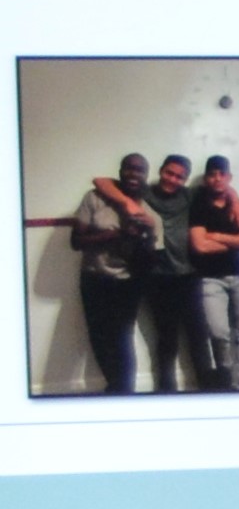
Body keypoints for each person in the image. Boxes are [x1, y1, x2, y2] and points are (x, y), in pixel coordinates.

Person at [62, 152, 162, 393]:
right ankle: (115, 387)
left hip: (127, 283)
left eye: (139, 170)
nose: (133, 174)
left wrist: (145, 237)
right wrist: (114, 235)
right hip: (93, 278)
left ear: (146, 176)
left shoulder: (150, 214)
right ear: (120, 171)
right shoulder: (94, 199)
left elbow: (149, 262)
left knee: (121, 339)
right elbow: (76, 242)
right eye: (129, 168)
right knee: (98, 339)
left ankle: (123, 391)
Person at [180, 152, 239, 391]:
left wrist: (218, 236)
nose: (217, 179)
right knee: (218, 332)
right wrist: (238, 240)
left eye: (221, 174)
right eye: (212, 175)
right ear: (206, 179)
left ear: (229, 177)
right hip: (210, 279)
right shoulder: (198, 207)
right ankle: (226, 380)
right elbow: (200, 246)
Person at [133, 153, 204, 395]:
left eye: (180, 177)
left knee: (198, 336)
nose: (173, 179)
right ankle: (166, 393)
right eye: (169, 173)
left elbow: (224, 190)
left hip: (190, 277)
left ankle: (210, 392)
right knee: (166, 340)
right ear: (161, 170)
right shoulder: (144, 193)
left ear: (185, 180)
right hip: (157, 278)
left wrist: (235, 199)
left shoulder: (190, 195)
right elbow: (102, 182)